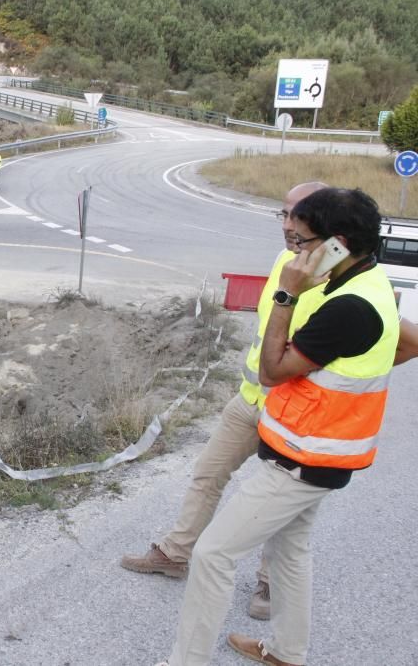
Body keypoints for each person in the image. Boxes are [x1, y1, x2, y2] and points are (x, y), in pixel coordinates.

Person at [163, 187, 400, 666]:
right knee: (291, 553)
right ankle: (287, 653)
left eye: (305, 240)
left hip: (302, 461)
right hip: (315, 453)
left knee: (213, 554)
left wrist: (288, 293)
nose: (296, 248)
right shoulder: (367, 285)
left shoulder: (348, 307)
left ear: (335, 244)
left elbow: (272, 370)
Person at [121, 182, 327, 621]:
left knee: (281, 505)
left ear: (324, 219)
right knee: (207, 474)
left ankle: (271, 584)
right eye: (284, 214)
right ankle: (176, 554)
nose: (288, 225)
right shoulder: (282, 261)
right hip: (251, 399)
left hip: (295, 412)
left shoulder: (338, 275)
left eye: (299, 215)